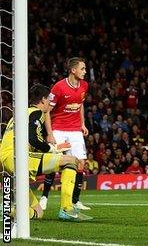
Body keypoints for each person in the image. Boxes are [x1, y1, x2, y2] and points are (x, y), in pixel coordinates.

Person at [0, 84, 92, 221]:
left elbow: (28, 141)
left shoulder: (19, 115)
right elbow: (33, 139)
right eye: (49, 98)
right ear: (43, 99)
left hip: (6, 161)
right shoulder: (36, 112)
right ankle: (67, 209)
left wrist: (55, 148)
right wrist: (52, 149)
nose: (50, 102)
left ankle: (7, 212)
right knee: (71, 160)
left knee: (38, 212)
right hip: (17, 158)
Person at [40, 57, 91, 211]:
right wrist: (50, 133)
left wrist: (82, 123)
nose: (85, 71)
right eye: (82, 69)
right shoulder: (59, 87)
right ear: (73, 70)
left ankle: (75, 201)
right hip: (59, 129)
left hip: (75, 130)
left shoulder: (84, 86)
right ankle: (44, 198)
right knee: (54, 163)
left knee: (80, 164)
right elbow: (47, 110)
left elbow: (80, 105)